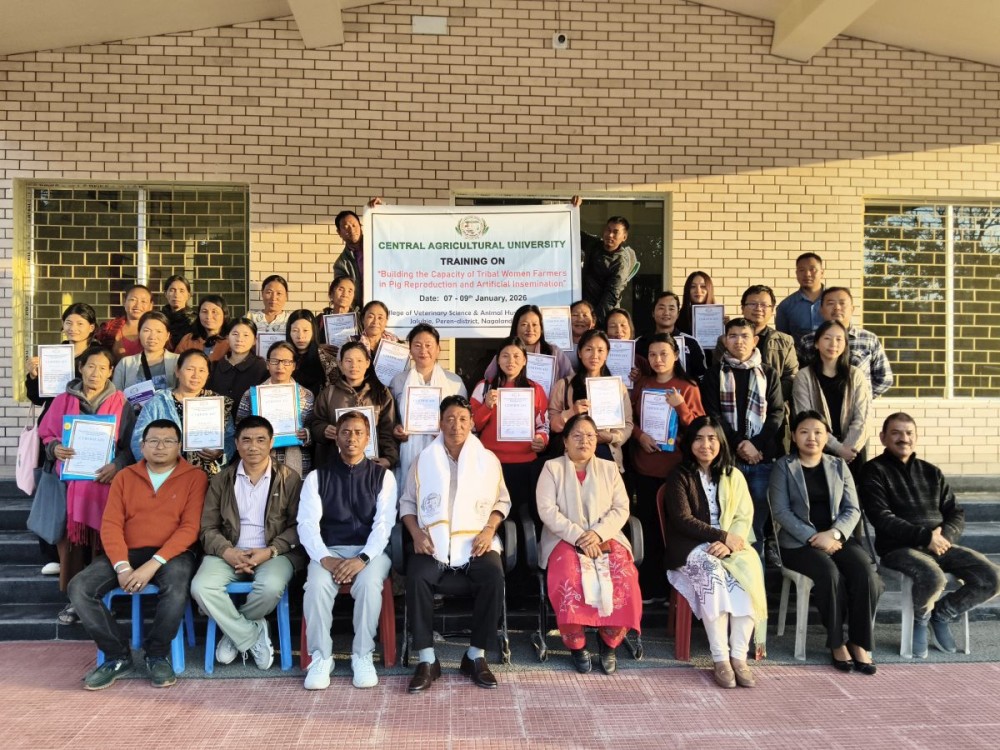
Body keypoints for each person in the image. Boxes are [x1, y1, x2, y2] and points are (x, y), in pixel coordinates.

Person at [67, 419, 207, 690]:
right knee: (80, 587)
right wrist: (122, 566)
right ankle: (117, 655)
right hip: (127, 551)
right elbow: (111, 525)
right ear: (142, 446)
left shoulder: (194, 477)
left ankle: (156, 654)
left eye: (168, 441)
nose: (160, 446)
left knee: (177, 586)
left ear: (179, 446)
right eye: (153, 441)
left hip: (172, 554)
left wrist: (152, 565)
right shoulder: (125, 476)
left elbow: (190, 528)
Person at [860, 413, 1000, 658]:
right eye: (896, 433)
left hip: (940, 545)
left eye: (909, 433)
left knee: (993, 577)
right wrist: (925, 537)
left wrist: (942, 537)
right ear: (883, 438)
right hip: (898, 549)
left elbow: (955, 512)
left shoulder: (931, 472)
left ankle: (942, 614)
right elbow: (881, 517)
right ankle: (920, 620)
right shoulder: (873, 471)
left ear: (916, 437)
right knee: (933, 576)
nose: (904, 438)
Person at [400, 395, 511, 693]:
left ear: (472, 423)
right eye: (449, 418)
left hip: (476, 540)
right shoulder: (424, 459)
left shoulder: (487, 460)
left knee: (492, 574)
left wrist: (489, 529)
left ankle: (475, 656)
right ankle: (426, 659)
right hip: (433, 542)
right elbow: (407, 503)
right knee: (417, 574)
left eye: (463, 419)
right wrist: (416, 534)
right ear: (440, 423)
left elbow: (502, 501)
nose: (456, 425)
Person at [191, 415, 306, 672]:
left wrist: (270, 550)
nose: (253, 446)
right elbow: (207, 527)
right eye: (246, 440)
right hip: (228, 552)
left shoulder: (289, 478)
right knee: (201, 587)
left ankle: (233, 633)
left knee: (270, 587)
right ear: (236, 443)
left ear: (271, 443)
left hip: (273, 552)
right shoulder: (221, 479)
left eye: (260, 440)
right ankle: (250, 633)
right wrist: (227, 552)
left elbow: (299, 527)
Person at [769, 411, 881, 674]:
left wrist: (835, 534)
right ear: (794, 437)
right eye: (804, 432)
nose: (812, 437)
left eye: (819, 432)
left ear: (827, 436)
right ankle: (836, 642)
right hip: (798, 542)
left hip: (836, 537)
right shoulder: (783, 467)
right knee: (829, 573)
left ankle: (859, 641)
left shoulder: (839, 465)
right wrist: (813, 536)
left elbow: (853, 509)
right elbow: (780, 511)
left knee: (865, 573)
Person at [662, 417, 767, 689]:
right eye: (699, 438)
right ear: (689, 442)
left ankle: (739, 657)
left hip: (730, 544)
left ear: (720, 442)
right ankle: (720, 658)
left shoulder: (734, 475)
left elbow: (745, 516)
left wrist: (731, 542)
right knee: (713, 575)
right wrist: (720, 536)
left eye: (712, 438)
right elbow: (682, 519)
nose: (705, 445)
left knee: (746, 578)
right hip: (690, 546)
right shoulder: (680, 475)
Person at [535, 414, 642, 675]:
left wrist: (597, 534)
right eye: (577, 436)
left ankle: (609, 643)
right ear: (565, 441)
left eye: (591, 436)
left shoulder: (609, 468)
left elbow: (621, 508)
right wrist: (580, 536)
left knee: (623, 577)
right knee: (569, 577)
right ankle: (577, 645)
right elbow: (547, 510)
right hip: (564, 538)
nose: (585, 441)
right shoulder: (552, 468)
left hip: (606, 537)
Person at [298, 411, 397, 690]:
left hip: (370, 553)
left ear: (368, 438)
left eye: (358, 432)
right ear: (336, 437)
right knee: (316, 585)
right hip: (328, 550)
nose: (351, 438)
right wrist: (325, 558)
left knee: (368, 584)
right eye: (345, 432)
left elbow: (384, 524)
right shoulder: (318, 477)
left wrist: (362, 558)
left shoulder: (382, 476)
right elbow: (306, 524)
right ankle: (321, 656)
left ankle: (362, 654)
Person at [38, 345, 136, 621]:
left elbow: (130, 447)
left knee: (104, 544)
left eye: (102, 368)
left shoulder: (121, 403)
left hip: (106, 487)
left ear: (111, 371)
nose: (95, 372)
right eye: (90, 366)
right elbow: (46, 436)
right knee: (73, 547)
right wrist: (55, 447)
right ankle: (74, 601)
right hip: (70, 489)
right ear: (81, 368)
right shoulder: (62, 401)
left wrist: (117, 465)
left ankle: (102, 599)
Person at [25, 301, 99, 577]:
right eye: (69, 322)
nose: (74, 328)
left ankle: (80, 551)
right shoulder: (52, 354)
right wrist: (34, 376)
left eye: (80, 323)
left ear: (91, 327)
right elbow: (38, 397)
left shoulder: (97, 355)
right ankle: (50, 551)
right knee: (51, 488)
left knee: (81, 489)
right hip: (54, 427)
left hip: (88, 428)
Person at [701, 318, 785, 556]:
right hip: (728, 458)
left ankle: (753, 570)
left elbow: (777, 413)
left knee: (755, 524)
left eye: (745, 336)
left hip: (761, 459)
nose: (739, 341)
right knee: (726, 519)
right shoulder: (714, 374)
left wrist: (754, 444)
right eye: (733, 336)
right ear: (725, 341)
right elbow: (714, 415)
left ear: (755, 340)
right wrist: (739, 443)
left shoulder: (768, 373)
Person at [629, 334, 704, 599]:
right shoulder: (643, 384)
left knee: (675, 531)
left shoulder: (687, 387)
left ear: (675, 355)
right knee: (649, 528)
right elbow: (630, 419)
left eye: (663, 353)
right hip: (645, 466)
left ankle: (678, 590)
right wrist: (640, 436)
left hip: (675, 471)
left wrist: (681, 407)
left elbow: (699, 429)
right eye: (652, 354)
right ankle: (652, 587)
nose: (658, 360)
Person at [471, 336, 549, 513]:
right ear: (498, 360)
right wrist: (486, 407)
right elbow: (472, 427)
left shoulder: (535, 389)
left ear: (524, 360)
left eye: (516, 356)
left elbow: (543, 425)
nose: (511, 361)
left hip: (525, 464)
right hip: (491, 463)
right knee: (490, 514)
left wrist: (541, 439)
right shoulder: (484, 387)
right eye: (505, 356)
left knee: (522, 515)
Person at [132, 349, 235, 475]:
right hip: (167, 477)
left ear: (208, 374)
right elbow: (138, 440)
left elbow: (230, 439)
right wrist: (157, 468)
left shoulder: (218, 404)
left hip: (209, 480)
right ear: (177, 371)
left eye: (202, 370)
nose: (196, 375)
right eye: (190, 369)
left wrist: (220, 453)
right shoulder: (158, 402)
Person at [390, 323, 467, 483]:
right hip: (408, 452)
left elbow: (466, 422)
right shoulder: (399, 381)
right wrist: (396, 428)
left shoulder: (454, 382)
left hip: (445, 450)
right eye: (417, 345)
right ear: (410, 350)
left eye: (428, 345)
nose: (423, 350)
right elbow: (392, 417)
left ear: (438, 348)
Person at [549, 329, 633, 474]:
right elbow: (552, 424)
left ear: (607, 354)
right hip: (570, 459)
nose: (595, 355)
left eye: (600, 350)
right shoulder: (564, 385)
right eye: (588, 349)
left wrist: (611, 437)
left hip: (604, 455)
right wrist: (571, 412)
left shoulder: (617, 387)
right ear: (580, 353)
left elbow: (628, 424)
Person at [792, 320, 870, 471]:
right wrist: (837, 448)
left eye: (839, 339)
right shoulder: (804, 376)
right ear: (816, 343)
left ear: (846, 344)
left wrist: (847, 450)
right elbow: (804, 417)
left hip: (852, 453)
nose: (833, 343)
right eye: (827, 338)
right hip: (816, 452)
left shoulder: (856, 375)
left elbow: (862, 418)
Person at [312, 341, 398, 469]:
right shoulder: (328, 393)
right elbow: (315, 423)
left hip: (370, 465)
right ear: (340, 364)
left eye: (359, 360)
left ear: (368, 363)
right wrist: (324, 429)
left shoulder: (381, 393)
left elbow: (388, 430)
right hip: (336, 465)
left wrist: (389, 459)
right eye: (348, 361)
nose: (354, 366)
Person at [799, 287, 894, 399]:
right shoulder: (808, 341)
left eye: (842, 303)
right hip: (818, 409)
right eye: (830, 303)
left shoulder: (869, 339)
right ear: (821, 310)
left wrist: (860, 397)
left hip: (858, 412)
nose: (837, 308)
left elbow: (885, 378)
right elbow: (801, 378)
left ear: (852, 309)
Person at [237, 341, 314, 477]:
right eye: (275, 361)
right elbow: (239, 427)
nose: (280, 366)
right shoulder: (252, 395)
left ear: (294, 366)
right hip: (259, 464)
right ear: (267, 364)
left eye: (286, 362)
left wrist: (307, 434)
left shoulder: (306, 395)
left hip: (298, 462)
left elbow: (314, 426)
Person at [714, 285, 798, 403]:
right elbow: (717, 373)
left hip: (774, 406)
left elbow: (791, 376)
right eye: (752, 304)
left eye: (764, 305)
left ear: (772, 309)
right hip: (733, 403)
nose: (758, 308)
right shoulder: (725, 340)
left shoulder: (784, 341)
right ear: (742, 308)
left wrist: (772, 398)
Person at [574, 198, 634, 325]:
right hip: (583, 311)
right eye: (608, 230)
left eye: (615, 232)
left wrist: (595, 320)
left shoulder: (621, 263)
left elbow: (611, 296)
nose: (610, 235)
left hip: (602, 319)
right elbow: (573, 233)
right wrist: (574, 209)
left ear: (624, 237)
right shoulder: (594, 244)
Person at [483, 304, 574, 384]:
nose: (530, 329)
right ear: (516, 327)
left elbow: (571, 378)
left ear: (541, 327)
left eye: (534, 325)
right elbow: (489, 379)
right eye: (524, 324)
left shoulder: (553, 351)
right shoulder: (505, 351)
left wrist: (559, 387)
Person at [635, 291, 707, 381]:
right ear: (653, 313)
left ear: (678, 314)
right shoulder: (639, 343)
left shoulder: (692, 343)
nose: (666, 313)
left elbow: (702, 377)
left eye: (671, 309)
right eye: (661, 308)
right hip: (650, 392)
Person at [112, 310, 178, 403]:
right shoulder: (126, 363)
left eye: (159, 331)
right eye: (147, 331)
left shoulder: (179, 361)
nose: (152, 336)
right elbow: (116, 398)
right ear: (139, 333)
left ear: (167, 335)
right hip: (134, 417)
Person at [206, 317, 268, 413]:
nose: (239, 339)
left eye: (246, 335)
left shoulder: (261, 367)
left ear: (254, 340)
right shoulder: (214, 366)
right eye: (235, 334)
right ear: (227, 338)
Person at [332, 199, 382, 306]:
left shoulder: (378, 244)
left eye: (354, 225)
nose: (351, 230)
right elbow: (342, 295)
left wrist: (382, 209)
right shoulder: (341, 264)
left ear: (360, 226)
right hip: (363, 312)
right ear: (339, 233)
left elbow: (392, 231)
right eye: (346, 227)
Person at [776, 252, 825, 350]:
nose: (807, 274)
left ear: (822, 273)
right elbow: (783, 342)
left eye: (812, 269)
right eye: (802, 270)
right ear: (796, 273)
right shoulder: (785, 306)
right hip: (800, 362)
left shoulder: (836, 301)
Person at [94, 284, 154, 362]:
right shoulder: (109, 329)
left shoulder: (157, 329)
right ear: (124, 301)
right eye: (133, 300)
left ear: (151, 306)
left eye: (143, 301)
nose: (137, 305)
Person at [286, 309, 338, 396]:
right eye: (295, 331)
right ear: (289, 332)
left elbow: (334, 393)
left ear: (314, 332)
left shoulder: (326, 360)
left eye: (305, 330)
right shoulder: (283, 359)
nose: (300, 336)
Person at [174, 295, 232, 364]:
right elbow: (177, 365)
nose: (208, 316)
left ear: (224, 314)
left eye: (214, 312)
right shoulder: (188, 339)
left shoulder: (232, 340)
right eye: (204, 311)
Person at [676, 271, 720, 336]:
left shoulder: (719, 317)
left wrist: (727, 327)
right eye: (693, 286)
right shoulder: (678, 318)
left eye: (703, 286)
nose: (698, 290)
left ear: (709, 289)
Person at [161, 274, 196, 349]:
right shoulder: (158, 318)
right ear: (165, 294)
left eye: (181, 291)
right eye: (172, 290)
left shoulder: (195, 320)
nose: (176, 295)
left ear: (188, 295)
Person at [566, 299, 597, 370]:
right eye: (575, 315)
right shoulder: (556, 346)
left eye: (585, 315)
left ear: (593, 322)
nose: (580, 319)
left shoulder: (599, 345)